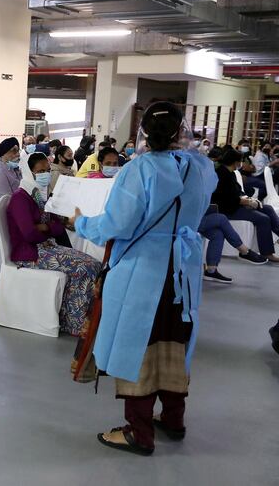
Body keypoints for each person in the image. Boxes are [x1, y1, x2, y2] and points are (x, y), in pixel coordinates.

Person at [70, 101, 215, 456]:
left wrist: (82, 223)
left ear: (144, 133)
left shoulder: (140, 170)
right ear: (183, 130)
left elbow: (118, 223)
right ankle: (174, 418)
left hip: (143, 270)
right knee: (174, 341)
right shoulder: (199, 168)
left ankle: (139, 431)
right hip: (182, 271)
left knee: (137, 347)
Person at [7, 153, 101, 336]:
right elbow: (29, 234)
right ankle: (74, 323)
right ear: (29, 172)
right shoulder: (20, 198)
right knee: (83, 268)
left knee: (94, 264)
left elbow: (58, 227)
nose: (45, 174)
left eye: (47, 170)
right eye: (40, 171)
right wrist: (45, 228)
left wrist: (44, 227)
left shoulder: (39, 196)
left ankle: (78, 316)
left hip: (47, 247)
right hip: (30, 253)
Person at [212, 148, 279, 263]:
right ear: (235, 162)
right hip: (228, 209)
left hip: (237, 204)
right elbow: (226, 198)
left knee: (267, 208)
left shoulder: (230, 173)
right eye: (240, 161)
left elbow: (238, 191)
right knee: (263, 219)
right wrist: (246, 202)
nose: (241, 163)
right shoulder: (222, 175)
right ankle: (267, 253)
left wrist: (247, 199)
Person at [198, 210, 266, 283]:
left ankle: (211, 271)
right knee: (222, 218)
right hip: (188, 220)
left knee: (218, 234)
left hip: (198, 218)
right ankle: (244, 251)